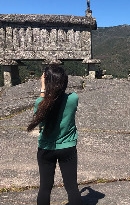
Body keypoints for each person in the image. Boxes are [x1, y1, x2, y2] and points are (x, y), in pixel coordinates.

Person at [27, 65, 82, 205]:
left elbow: (43, 109)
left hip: (46, 149)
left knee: (45, 188)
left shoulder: (40, 103)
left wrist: (43, 88)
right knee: (72, 187)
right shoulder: (73, 99)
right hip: (67, 148)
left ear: (46, 81)